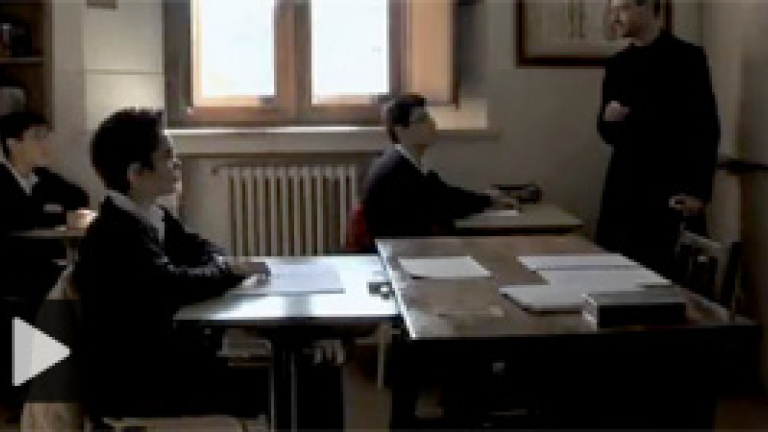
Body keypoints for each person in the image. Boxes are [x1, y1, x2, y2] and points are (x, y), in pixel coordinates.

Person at [73, 108, 267, 418]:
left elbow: (203, 248)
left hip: (165, 365)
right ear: (136, 173)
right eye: (167, 156)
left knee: (297, 377)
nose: (177, 163)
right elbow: (174, 285)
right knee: (295, 384)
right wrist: (229, 271)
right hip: (136, 384)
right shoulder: (115, 233)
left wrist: (220, 267)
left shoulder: (151, 214)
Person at [596, 0, 720, 277]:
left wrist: (699, 192)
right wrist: (609, 120)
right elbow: (606, 132)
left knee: (669, 280)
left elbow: (706, 129)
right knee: (614, 277)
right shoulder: (618, 65)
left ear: (648, 7)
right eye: (612, 9)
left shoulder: (687, 58)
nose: (615, 17)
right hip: (624, 190)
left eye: (623, 8)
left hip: (670, 188)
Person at [362, 94, 515, 242]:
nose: (432, 123)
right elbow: (445, 203)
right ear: (401, 130)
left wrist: (488, 198)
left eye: (429, 117)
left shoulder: (403, 161)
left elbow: (444, 192)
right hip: (401, 252)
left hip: (407, 247)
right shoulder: (397, 171)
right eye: (422, 119)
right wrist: (488, 200)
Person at [0, 111, 89, 309]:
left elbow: (78, 197)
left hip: (42, 265)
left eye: (47, 137)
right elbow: (15, 217)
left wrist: (50, 214)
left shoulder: (43, 177)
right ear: (13, 143)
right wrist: (60, 217)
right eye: (37, 137)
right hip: (11, 271)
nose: (46, 144)